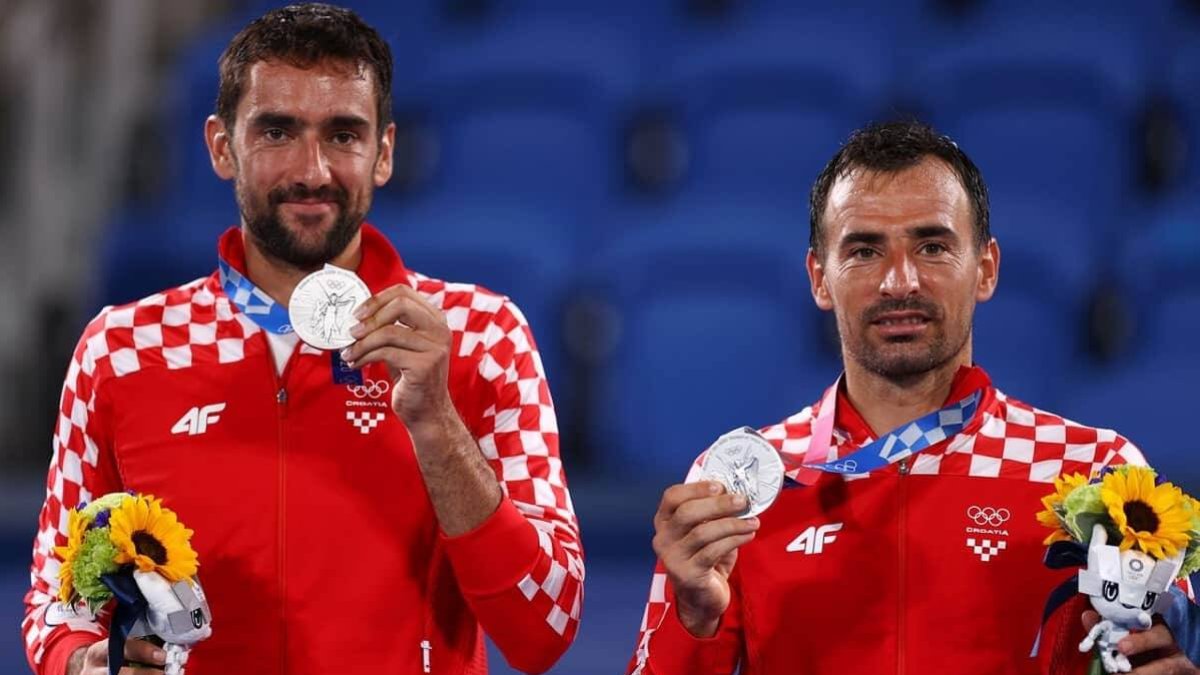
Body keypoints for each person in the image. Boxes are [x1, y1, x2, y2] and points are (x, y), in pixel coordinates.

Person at [21, 4, 582, 674]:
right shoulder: (120, 349)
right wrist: (83, 662)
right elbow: (58, 604)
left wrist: (436, 425)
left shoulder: (481, 335)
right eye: (277, 131)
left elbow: (544, 628)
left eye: (343, 134)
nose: (312, 170)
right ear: (221, 146)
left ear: (384, 152)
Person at [626, 120, 1197, 674]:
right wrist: (694, 621)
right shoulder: (742, 487)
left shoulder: (1094, 473)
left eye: (931, 246)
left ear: (986, 269)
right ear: (819, 278)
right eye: (865, 251)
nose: (900, 282)